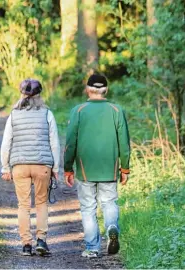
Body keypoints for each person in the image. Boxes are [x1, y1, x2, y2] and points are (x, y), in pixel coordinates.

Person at [63, 74, 131, 258]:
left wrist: (67, 167)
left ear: (87, 89)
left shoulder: (78, 111)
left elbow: (70, 142)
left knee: (88, 208)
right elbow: (124, 143)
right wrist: (125, 168)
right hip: (109, 167)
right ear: (106, 90)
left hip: (85, 169)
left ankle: (92, 248)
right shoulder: (117, 110)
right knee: (109, 202)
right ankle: (111, 226)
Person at [0, 79, 61, 257]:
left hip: (19, 166)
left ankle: (26, 244)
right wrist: (55, 167)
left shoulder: (14, 114)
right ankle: (41, 240)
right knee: (41, 203)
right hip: (42, 166)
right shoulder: (47, 113)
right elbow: (54, 142)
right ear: (39, 95)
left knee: (23, 205)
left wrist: (5, 167)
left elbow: (6, 143)